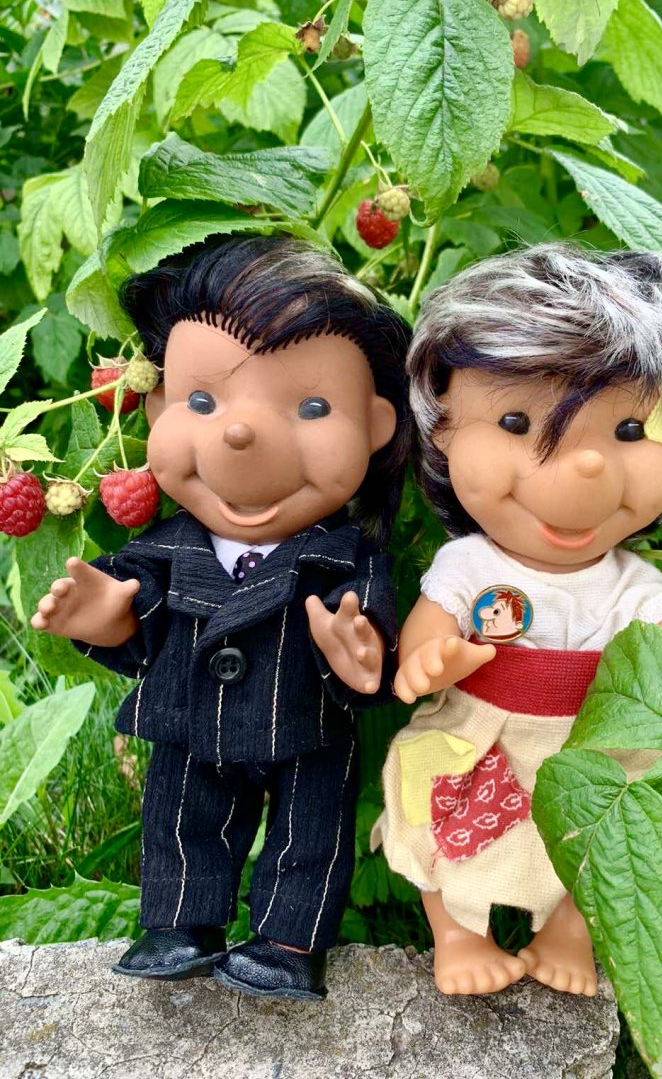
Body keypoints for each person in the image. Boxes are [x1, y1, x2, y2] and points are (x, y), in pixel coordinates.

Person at [372, 245, 662, 998]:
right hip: (481, 726)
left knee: (611, 840)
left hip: (595, 742)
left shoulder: (629, 583)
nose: (588, 468)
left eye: (629, 431)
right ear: (442, 428)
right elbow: (430, 625)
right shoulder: (471, 565)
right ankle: (458, 933)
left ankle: (569, 930)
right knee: (435, 811)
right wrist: (429, 658)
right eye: (517, 421)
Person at [32, 234, 412, 1000]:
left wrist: (363, 653)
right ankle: (180, 922)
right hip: (192, 722)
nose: (238, 433)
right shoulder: (167, 549)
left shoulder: (342, 556)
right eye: (202, 402)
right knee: (181, 817)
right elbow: (139, 604)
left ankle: (289, 941)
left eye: (312, 408)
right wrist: (108, 615)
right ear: (159, 407)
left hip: (304, 724)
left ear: (375, 425)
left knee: (312, 832)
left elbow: (368, 613)